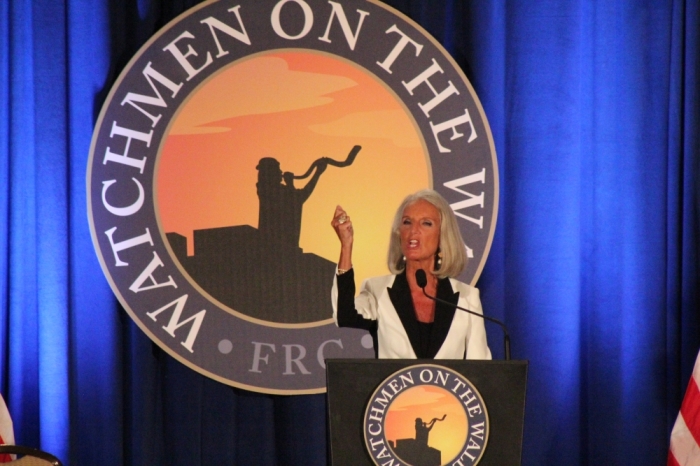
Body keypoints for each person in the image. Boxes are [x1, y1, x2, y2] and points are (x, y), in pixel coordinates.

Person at [330, 189, 491, 359]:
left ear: (443, 235)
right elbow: (344, 315)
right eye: (407, 222)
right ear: (399, 232)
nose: (413, 231)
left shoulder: (467, 299)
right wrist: (346, 245)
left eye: (426, 223)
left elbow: (480, 369)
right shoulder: (378, 290)